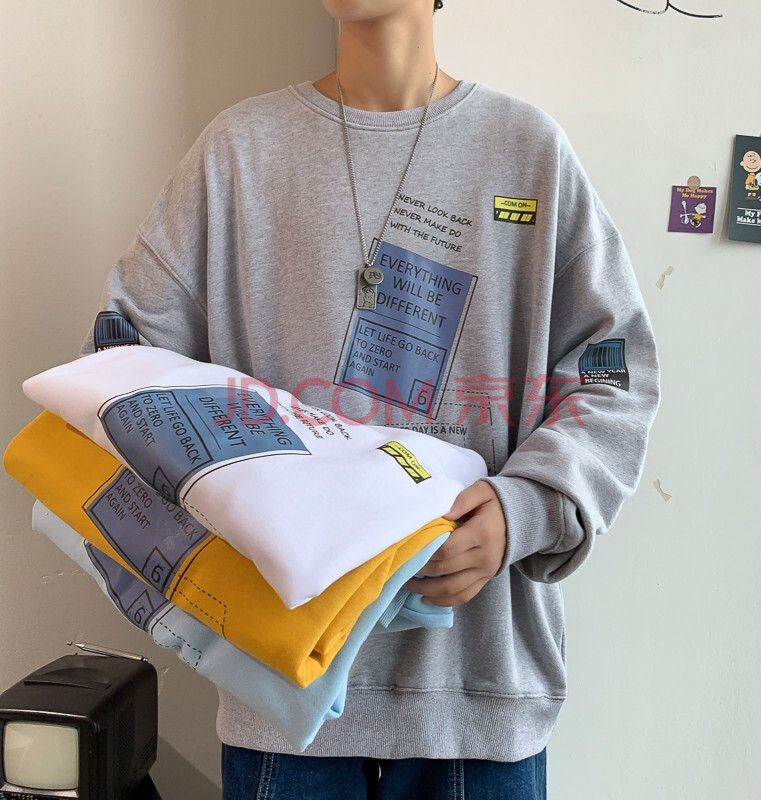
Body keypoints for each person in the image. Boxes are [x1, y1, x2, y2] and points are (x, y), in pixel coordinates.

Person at [77, 0, 661, 797]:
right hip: (284, 691)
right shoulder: (239, 153)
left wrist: (526, 507)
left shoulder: (526, 151)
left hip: (476, 690)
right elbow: (119, 364)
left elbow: (613, 371)